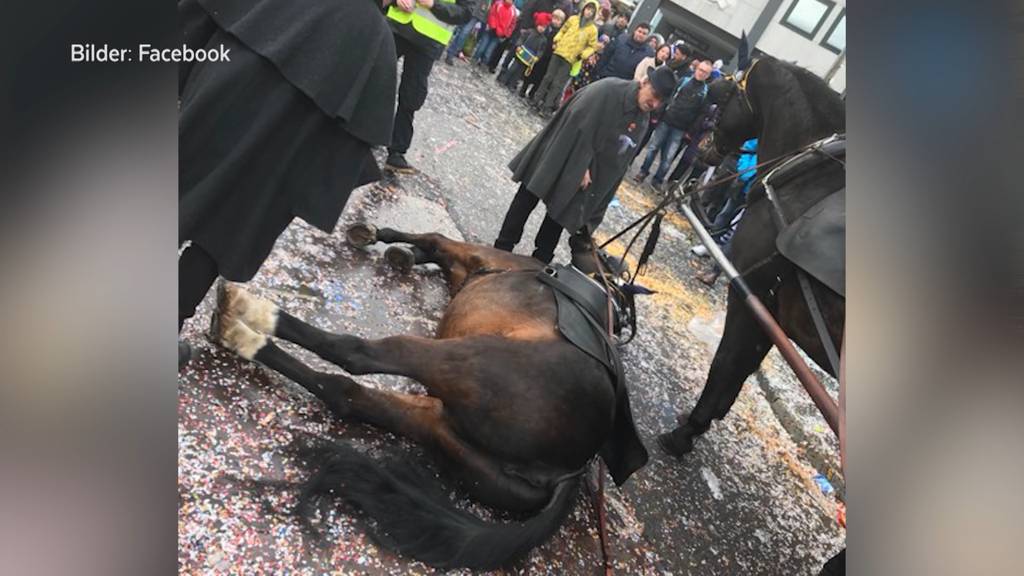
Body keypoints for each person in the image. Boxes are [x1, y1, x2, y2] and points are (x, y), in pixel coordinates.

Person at [177, 0, 397, 367]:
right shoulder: (377, 44)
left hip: (221, 96)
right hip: (277, 160)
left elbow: (207, 16)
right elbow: (349, 152)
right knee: (224, 234)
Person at [495, 67, 676, 263]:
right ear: (644, 82)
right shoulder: (608, 90)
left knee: (563, 206)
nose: (654, 103)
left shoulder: (642, 117)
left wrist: (598, 201)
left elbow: (619, 162)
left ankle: (540, 260)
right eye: (654, 95)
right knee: (531, 192)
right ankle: (502, 247)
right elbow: (577, 122)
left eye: (660, 102)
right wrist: (580, 165)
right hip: (562, 149)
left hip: (589, 167)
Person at [384, 0, 475, 174]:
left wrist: (433, 5)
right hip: (398, 24)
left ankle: (396, 151)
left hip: (429, 40)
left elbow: (464, 13)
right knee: (376, 77)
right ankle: (363, 127)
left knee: (411, 95)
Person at [634, 59, 712, 190]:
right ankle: (643, 172)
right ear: (696, 68)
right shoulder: (683, 81)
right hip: (666, 120)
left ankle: (658, 180)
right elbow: (669, 98)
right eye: (700, 70)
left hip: (681, 128)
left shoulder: (705, 91)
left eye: (705, 72)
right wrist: (658, 115)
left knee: (668, 157)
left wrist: (690, 131)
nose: (701, 73)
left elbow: (701, 114)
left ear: (708, 75)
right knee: (653, 148)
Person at [529, 0, 600, 116]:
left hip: (571, 59)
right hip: (559, 52)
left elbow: (592, 46)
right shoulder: (573, 19)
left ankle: (547, 106)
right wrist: (557, 39)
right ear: (584, 8)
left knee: (557, 84)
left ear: (594, 14)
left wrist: (583, 54)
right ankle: (536, 100)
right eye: (587, 9)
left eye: (592, 11)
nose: (588, 12)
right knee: (548, 77)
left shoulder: (592, 30)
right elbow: (563, 30)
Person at [498, 11, 553, 91]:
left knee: (519, 73)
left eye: (544, 27)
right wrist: (519, 45)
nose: (541, 28)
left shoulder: (543, 40)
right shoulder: (529, 32)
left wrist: (537, 57)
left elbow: (541, 50)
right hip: (520, 54)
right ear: (537, 24)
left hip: (528, 59)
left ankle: (512, 84)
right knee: (513, 68)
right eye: (540, 26)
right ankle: (504, 80)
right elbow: (521, 39)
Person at [519, 9, 566, 98]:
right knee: (531, 72)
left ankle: (532, 92)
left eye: (559, 20)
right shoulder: (545, 27)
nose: (556, 21)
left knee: (541, 76)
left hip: (548, 57)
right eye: (555, 18)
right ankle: (523, 88)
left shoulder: (560, 33)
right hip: (539, 54)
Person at [471, 0, 518, 72]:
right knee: (482, 47)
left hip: (499, 34)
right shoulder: (498, 4)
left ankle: (484, 63)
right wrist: (493, 26)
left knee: (489, 50)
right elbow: (492, 15)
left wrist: (506, 34)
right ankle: (475, 58)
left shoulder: (513, 11)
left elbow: (512, 25)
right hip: (491, 30)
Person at [444, 0, 491, 65]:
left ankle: (453, 51)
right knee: (463, 32)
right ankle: (451, 52)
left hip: (476, 10)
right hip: (475, 11)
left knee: (463, 32)